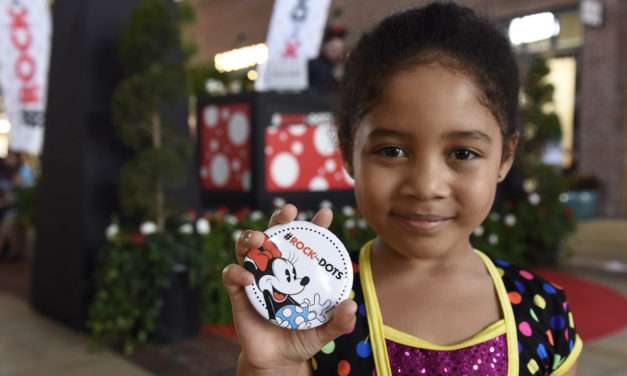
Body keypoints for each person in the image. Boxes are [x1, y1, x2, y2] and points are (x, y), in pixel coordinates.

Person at [223, 3, 582, 375]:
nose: (426, 186)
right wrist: (272, 366)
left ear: (505, 157)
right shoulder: (314, 311)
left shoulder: (542, 310)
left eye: (463, 152)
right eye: (391, 151)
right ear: (348, 152)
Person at [307, 25, 347, 93]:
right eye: (333, 49)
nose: (336, 53)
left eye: (339, 50)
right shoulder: (314, 65)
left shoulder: (340, 67)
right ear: (323, 47)